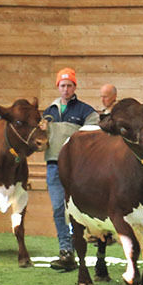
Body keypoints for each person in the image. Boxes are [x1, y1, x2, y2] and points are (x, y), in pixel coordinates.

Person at [41, 67, 94, 272]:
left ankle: (78, 249)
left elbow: (94, 137)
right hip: (54, 166)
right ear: (58, 86)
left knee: (76, 211)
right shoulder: (49, 112)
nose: (65, 89)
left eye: (69, 85)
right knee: (57, 209)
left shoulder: (86, 112)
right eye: (62, 85)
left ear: (75, 87)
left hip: (78, 168)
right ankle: (66, 250)